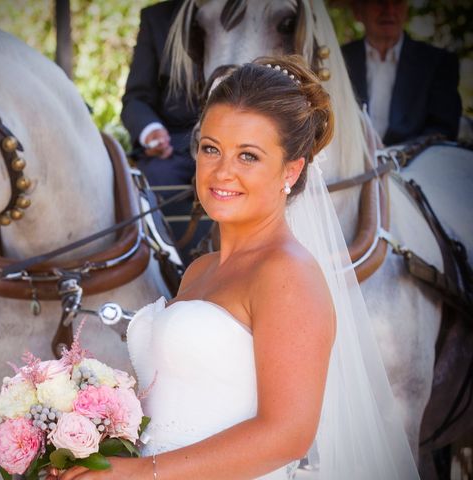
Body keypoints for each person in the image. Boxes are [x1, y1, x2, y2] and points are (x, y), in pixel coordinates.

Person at [55, 56, 419, 480]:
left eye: (248, 156)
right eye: (211, 148)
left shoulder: (288, 274)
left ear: (292, 169)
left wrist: (140, 473)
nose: (222, 171)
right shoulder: (200, 270)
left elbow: (287, 435)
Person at [121, 0, 205, 259]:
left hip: (238, 140)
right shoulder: (156, 18)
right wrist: (151, 130)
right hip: (175, 144)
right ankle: (172, 269)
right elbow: (136, 98)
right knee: (153, 179)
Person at [342, 0, 461, 145]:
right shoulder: (339, 58)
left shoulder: (437, 62)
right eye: (380, 2)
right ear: (358, 11)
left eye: (397, 2)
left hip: (416, 163)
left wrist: (398, 157)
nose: (389, 10)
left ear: (406, 10)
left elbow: (443, 129)